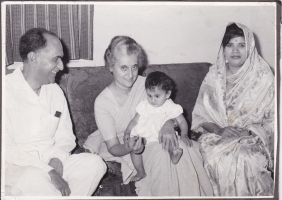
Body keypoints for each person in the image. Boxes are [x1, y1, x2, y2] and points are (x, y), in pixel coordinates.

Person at [83, 35, 213, 196]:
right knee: (162, 155)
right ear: (111, 66)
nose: (130, 75)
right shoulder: (102, 102)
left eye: (134, 67)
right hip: (132, 150)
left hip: (159, 138)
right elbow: (114, 148)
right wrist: (130, 146)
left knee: (187, 150)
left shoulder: (148, 86)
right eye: (124, 67)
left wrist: (169, 124)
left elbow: (171, 113)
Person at [5, 28, 107, 196]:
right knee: (34, 178)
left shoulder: (55, 91)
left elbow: (66, 136)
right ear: (33, 58)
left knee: (94, 163)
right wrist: (48, 171)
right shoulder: (5, 91)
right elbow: (7, 150)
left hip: (51, 161)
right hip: (17, 168)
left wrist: (57, 160)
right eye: (56, 59)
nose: (61, 67)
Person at [191, 23, 274, 196]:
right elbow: (200, 115)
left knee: (246, 158)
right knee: (215, 158)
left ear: (250, 47)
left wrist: (250, 132)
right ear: (223, 49)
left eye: (241, 45)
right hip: (216, 136)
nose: (235, 50)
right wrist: (219, 130)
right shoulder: (214, 76)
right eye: (230, 45)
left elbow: (274, 119)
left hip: (251, 138)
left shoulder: (264, 77)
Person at [124, 71, 193, 181]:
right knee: (134, 148)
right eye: (149, 95)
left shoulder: (171, 106)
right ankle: (140, 171)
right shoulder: (144, 105)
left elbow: (182, 122)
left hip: (162, 135)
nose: (152, 100)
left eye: (157, 96)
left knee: (170, 141)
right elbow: (134, 121)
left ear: (167, 94)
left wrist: (184, 134)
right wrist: (127, 132)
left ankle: (173, 154)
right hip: (144, 136)